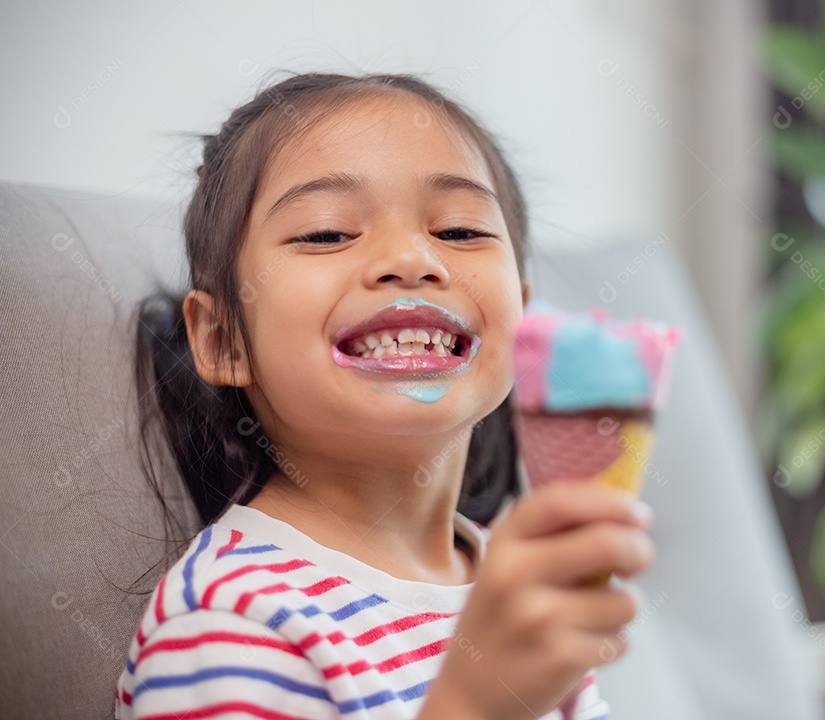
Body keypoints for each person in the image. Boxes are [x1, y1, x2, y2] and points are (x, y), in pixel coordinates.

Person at [116, 71, 654, 720]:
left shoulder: (518, 587)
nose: (410, 259)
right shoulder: (230, 621)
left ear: (525, 329)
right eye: (326, 233)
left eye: (458, 230)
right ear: (223, 338)